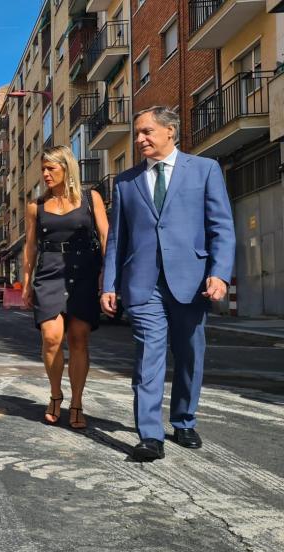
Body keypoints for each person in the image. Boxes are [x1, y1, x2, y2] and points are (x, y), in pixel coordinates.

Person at [101, 106, 234, 462]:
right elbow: (118, 238)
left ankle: (184, 419)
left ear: (170, 131)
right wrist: (109, 284)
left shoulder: (204, 170)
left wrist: (219, 273)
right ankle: (149, 435)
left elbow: (221, 226)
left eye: (147, 132)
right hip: (143, 283)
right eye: (138, 133)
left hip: (191, 282)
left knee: (190, 352)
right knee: (148, 356)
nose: (140, 139)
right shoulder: (126, 182)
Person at [22, 146, 108, 430]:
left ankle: (77, 402)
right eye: (43, 169)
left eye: (51, 169)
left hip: (84, 269)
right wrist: (25, 282)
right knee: (51, 337)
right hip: (50, 272)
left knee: (79, 338)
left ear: (66, 168)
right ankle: (56, 394)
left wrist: (108, 274)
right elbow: (31, 246)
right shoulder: (36, 206)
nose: (45, 174)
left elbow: (106, 235)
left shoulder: (90, 198)